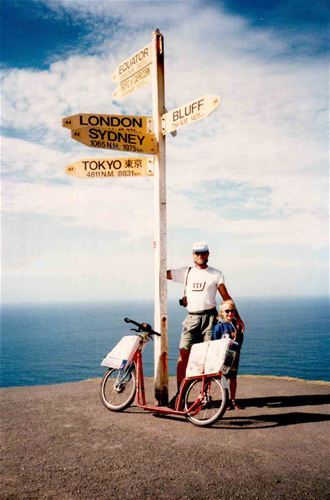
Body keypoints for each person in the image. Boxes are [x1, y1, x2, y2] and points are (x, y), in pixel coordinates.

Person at [167, 241, 244, 397]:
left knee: (208, 359)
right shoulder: (186, 272)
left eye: (203, 253)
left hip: (210, 319)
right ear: (193, 255)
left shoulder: (216, 274)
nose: (200, 256)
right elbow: (161, 273)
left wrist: (238, 318)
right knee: (183, 356)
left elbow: (225, 297)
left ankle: (204, 394)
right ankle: (181, 394)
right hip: (191, 318)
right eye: (197, 253)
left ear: (208, 254)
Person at [212, 300, 244, 410]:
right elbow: (215, 342)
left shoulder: (237, 325)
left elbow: (240, 340)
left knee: (233, 378)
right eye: (227, 311)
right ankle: (225, 401)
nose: (230, 313)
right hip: (223, 358)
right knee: (224, 379)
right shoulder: (218, 327)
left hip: (234, 356)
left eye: (233, 311)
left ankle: (233, 400)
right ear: (222, 312)